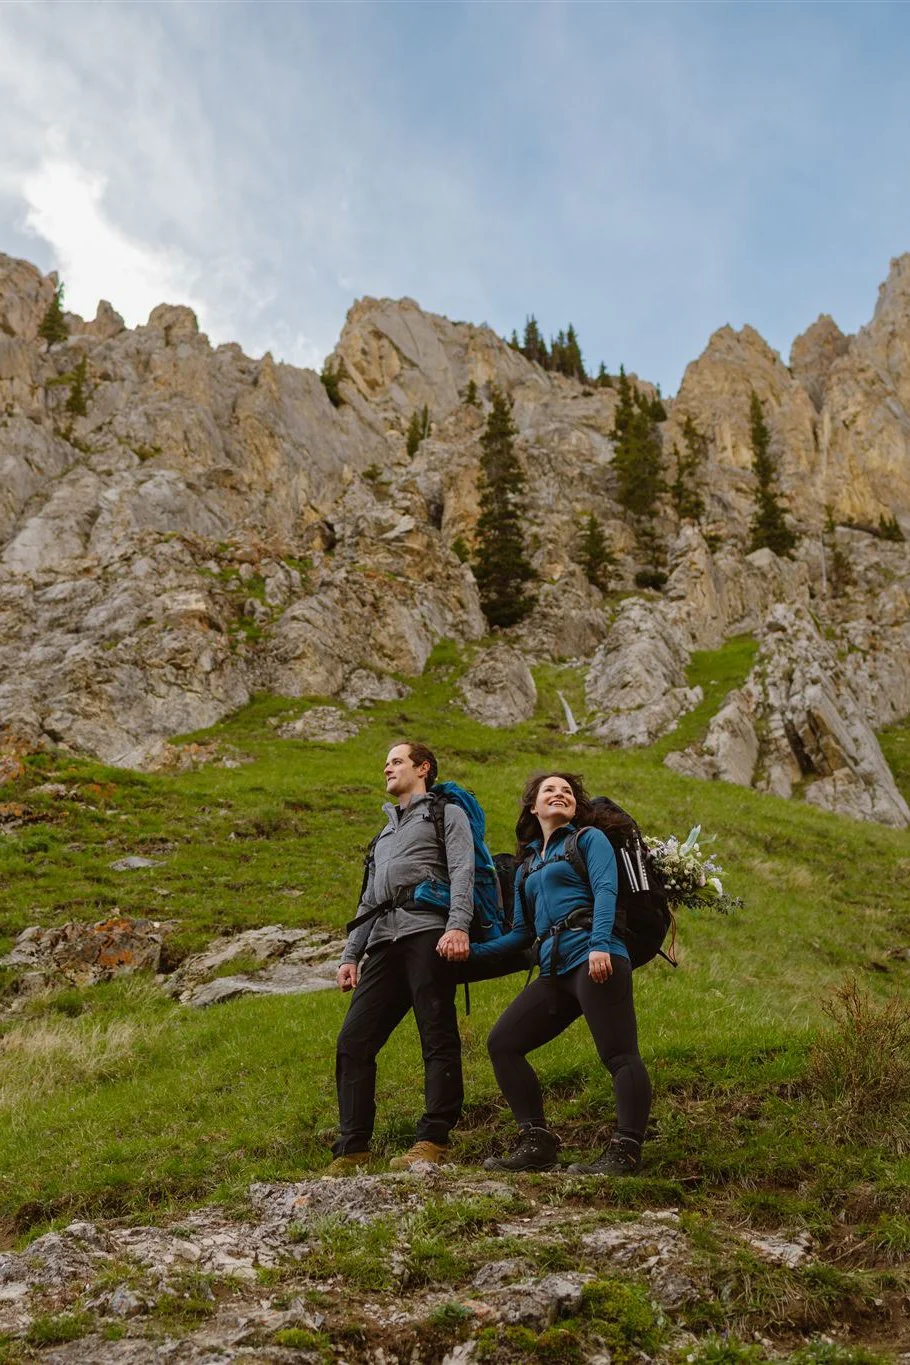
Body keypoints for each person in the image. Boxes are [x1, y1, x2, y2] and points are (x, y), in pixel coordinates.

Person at [469, 771, 652, 1175]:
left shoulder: (588, 839)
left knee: (619, 1054)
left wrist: (600, 944)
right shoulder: (527, 866)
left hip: (595, 955)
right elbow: (520, 934)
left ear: (575, 806)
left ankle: (625, 1151)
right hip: (554, 970)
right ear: (533, 807)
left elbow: (606, 890)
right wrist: (470, 956)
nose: (560, 794)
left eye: (567, 791)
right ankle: (537, 1144)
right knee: (503, 1043)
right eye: (549, 790)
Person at [327, 742, 473, 1175]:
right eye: (385, 763)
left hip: (428, 933)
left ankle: (434, 1139)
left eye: (396, 761)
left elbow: (462, 870)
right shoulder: (384, 833)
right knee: (353, 1041)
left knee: (436, 1033)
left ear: (423, 768)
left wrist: (457, 926)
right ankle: (353, 1148)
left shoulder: (447, 813)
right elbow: (369, 899)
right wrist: (350, 955)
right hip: (383, 943)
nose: (387, 768)